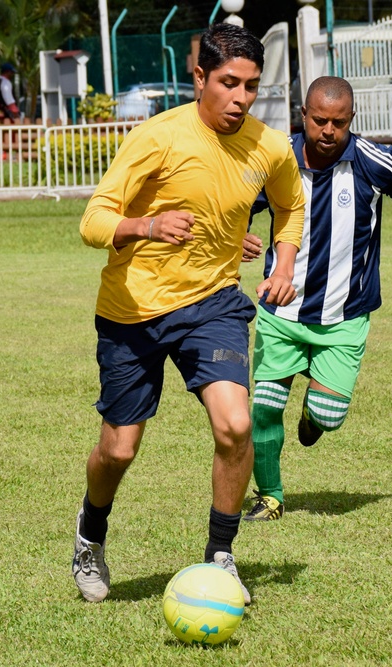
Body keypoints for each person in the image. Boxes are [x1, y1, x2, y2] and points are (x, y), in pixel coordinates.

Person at [73, 22, 306, 604]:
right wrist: (147, 225)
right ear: (199, 77)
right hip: (134, 312)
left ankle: (221, 556)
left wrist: (283, 264)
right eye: (229, 83)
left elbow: (290, 206)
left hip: (214, 304)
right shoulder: (158, 138)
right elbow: (92, 221)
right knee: (119, 449)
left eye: (251, 86)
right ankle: (89, 536)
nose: (241, 98)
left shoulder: (270, 146)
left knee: (235, 424)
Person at [241, 76, 392, 522]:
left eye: (339, 123)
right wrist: (238, 239)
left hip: (345, 314)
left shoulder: (373, 162)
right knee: (264, 409)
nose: (328, 131)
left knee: (328, 416)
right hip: (280, 309)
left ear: (351, 121)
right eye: (320, 120)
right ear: (303, 116)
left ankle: (315, 414)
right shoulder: (277, 158)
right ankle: (270, 496)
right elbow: (236, 205)